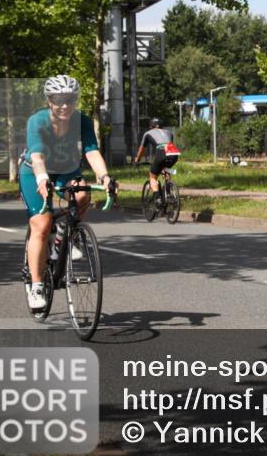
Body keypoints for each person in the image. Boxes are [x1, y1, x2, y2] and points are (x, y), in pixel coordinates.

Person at [19, 75, 113, 310]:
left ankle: (63, 237)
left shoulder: (82, 120)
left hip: (65, 168)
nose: (65, 105)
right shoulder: (37, 121)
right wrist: (42, 179)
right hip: (34, 172)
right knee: (41, 224)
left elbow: (91, 151)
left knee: (82, 195)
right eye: (59, 100)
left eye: (70, 100)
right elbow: (37, 154)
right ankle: (37, 285)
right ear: (49, 100)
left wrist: (105, 177)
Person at [134, 118, 180, 207]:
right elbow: (168, 143)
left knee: (153, 177)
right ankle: (169, 193)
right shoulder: (169, 132)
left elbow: (141, 149)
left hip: (162, 152)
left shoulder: (147, 133)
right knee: (166, 169)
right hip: (173, 152)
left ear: (151, 127)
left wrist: (137, 160)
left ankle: (157, 197)